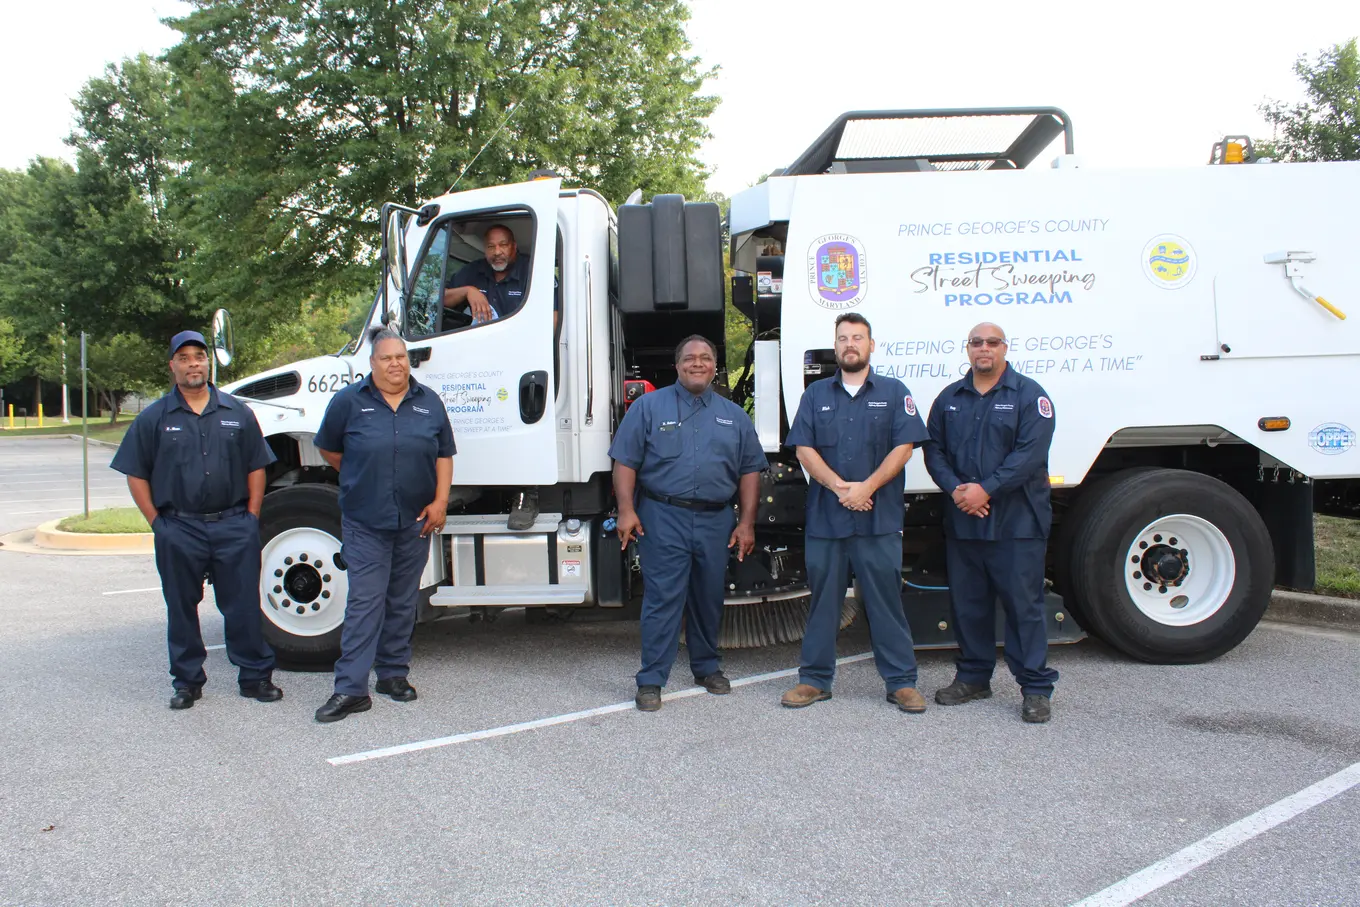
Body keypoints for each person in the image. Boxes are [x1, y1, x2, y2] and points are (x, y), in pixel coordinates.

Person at [111, 330, 280, 710]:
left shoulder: (237, 413)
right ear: (172, 365)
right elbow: (135, 473)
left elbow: (257, 466)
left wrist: (251, 516)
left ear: (208, 363)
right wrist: (158, 523)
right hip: (179, 527)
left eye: (199, 357)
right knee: (182, 607)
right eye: (184, 358)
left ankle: (254, 676)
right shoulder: (154, 417)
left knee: (242, 606)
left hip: (234, 525)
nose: (193, 364)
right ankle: (187, 681)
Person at [780, 313, 931, 712]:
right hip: (828, 521)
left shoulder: (895, 391)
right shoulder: (815, 396)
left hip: (877, 519)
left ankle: (900, 682)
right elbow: (804, 450)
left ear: (871, 345)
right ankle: (814, 680)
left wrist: (867, 488)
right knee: (823, 602)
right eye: (843, 338)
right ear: (836, 347)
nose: (850, 344)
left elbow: (904, 448)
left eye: (858, 337)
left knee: (884, 601)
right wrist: (840, 487)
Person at [609, 335, 768, 712]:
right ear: (677, 366)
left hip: (716, 519)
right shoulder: (648, 407)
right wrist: (626, 510)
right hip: (663, 517)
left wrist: (746, 523)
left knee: (708, 597)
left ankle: (706, 667)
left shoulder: (735, 416)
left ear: (715, 366)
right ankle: (651, 680)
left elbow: (749, 472)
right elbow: (625, 462)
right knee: (663, 599)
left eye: (706, 358)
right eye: (690, 358)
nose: (698, 363)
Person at [312, 328, 455, 723]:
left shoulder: (429, 402)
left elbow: (444, 454)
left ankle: (392, 675)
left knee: (402, 601)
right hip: (365, 520)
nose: (396, 364)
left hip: (414, 520)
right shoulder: (348, 402)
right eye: (387, 358)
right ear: (371, 364)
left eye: (401, 357)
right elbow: (328, 446)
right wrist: (358, 471)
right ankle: (350, 689)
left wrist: (440, 501)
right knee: (365, 603)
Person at [923, 322, 1059, 723]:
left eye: (992, 343)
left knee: (1024, 607)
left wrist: (986, 490)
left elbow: (1029, 454)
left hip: (1016, 523)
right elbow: (934, 452)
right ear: (968, 349)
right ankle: (974, 678)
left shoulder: (1030, 396)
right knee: (968, 606)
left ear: (1004, 348)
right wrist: (957, 491)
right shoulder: (950, 398)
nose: (984, 348)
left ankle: (1035, 687)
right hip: (965, 521)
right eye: (977, 342)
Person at [442, 223, 550, 530]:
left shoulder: (533, 269)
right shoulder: (474, 273)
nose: (497, 251)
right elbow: (440, 300)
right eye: (491, 246)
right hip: (480, 370)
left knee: (523, 428)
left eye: (503, 245)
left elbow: (556, 316)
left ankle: (526, 495)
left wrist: (527, 343)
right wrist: (468, 291)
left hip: (523, 366)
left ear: (514, 246)